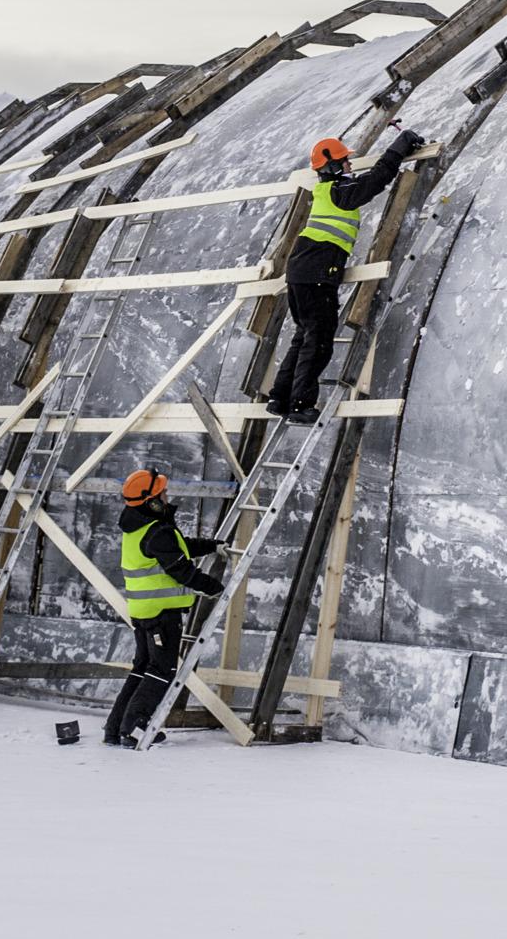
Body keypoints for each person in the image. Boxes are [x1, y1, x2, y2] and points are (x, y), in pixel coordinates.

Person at [263, 127, 422, 422]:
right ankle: (300, 406)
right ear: (332, 166)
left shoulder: (329, 192)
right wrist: (399, 147)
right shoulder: (339, 193)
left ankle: (279, 397)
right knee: (319, 342)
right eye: (344, 161)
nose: (349, 164)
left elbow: (366, 181)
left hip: (302, 272)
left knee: (304, 336)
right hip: (315, 274)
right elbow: (375, 181)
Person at [102, 470, 226, 748]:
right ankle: (134, 728)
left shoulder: (140, 527)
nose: (167, 497)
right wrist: (214, 587)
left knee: (143, 668)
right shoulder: (157, 531)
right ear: (152, 502)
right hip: (162, 613)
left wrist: (211, 546)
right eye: (163, 494)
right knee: (162, 671)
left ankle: (115, 728)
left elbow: (178, 549)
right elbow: (180, 568)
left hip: (144, 611)